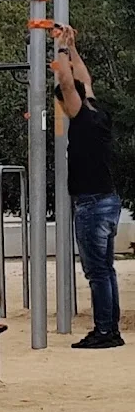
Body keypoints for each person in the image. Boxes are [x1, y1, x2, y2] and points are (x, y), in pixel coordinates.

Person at [53, 28, 124, 349]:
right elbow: (84, 79)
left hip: (93, 204)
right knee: (105, 271)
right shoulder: (98, 112)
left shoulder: (80, 115)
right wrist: (73, 47)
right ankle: (110, 329)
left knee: (97, 272)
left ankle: (105, 331)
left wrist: (60, 50)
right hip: (107, 200)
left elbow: (69, 82)